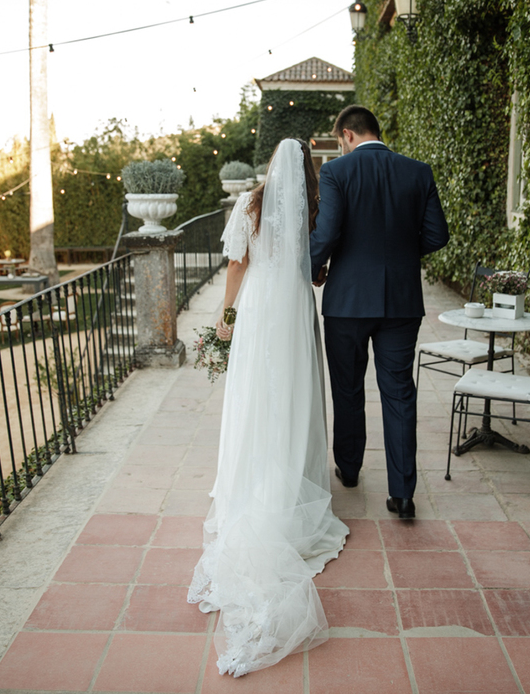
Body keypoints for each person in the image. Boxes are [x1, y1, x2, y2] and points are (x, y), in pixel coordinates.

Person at [188, 138, 349, 677]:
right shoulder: (313, 207)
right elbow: (315, 269)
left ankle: (253, 478)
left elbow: (237, 265)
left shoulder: (249, 205)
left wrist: (226, 313)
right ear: (307, 170)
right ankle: (292, 477)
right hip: (295, 308)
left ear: (270, 167)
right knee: (293, 395)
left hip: (259, 306)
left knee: (255, 393)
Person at [309, 105, 449, 519]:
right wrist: (401, 254)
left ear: (347, 135)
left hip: (348, 301)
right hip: (402, 301)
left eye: (340, 141)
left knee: (348, 389)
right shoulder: (418, 172)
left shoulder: (336, 172)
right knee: (399, 391)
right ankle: (403, 494)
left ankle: (350, 469)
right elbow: (437, 235)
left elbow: (326, 233)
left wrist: (311, 269)